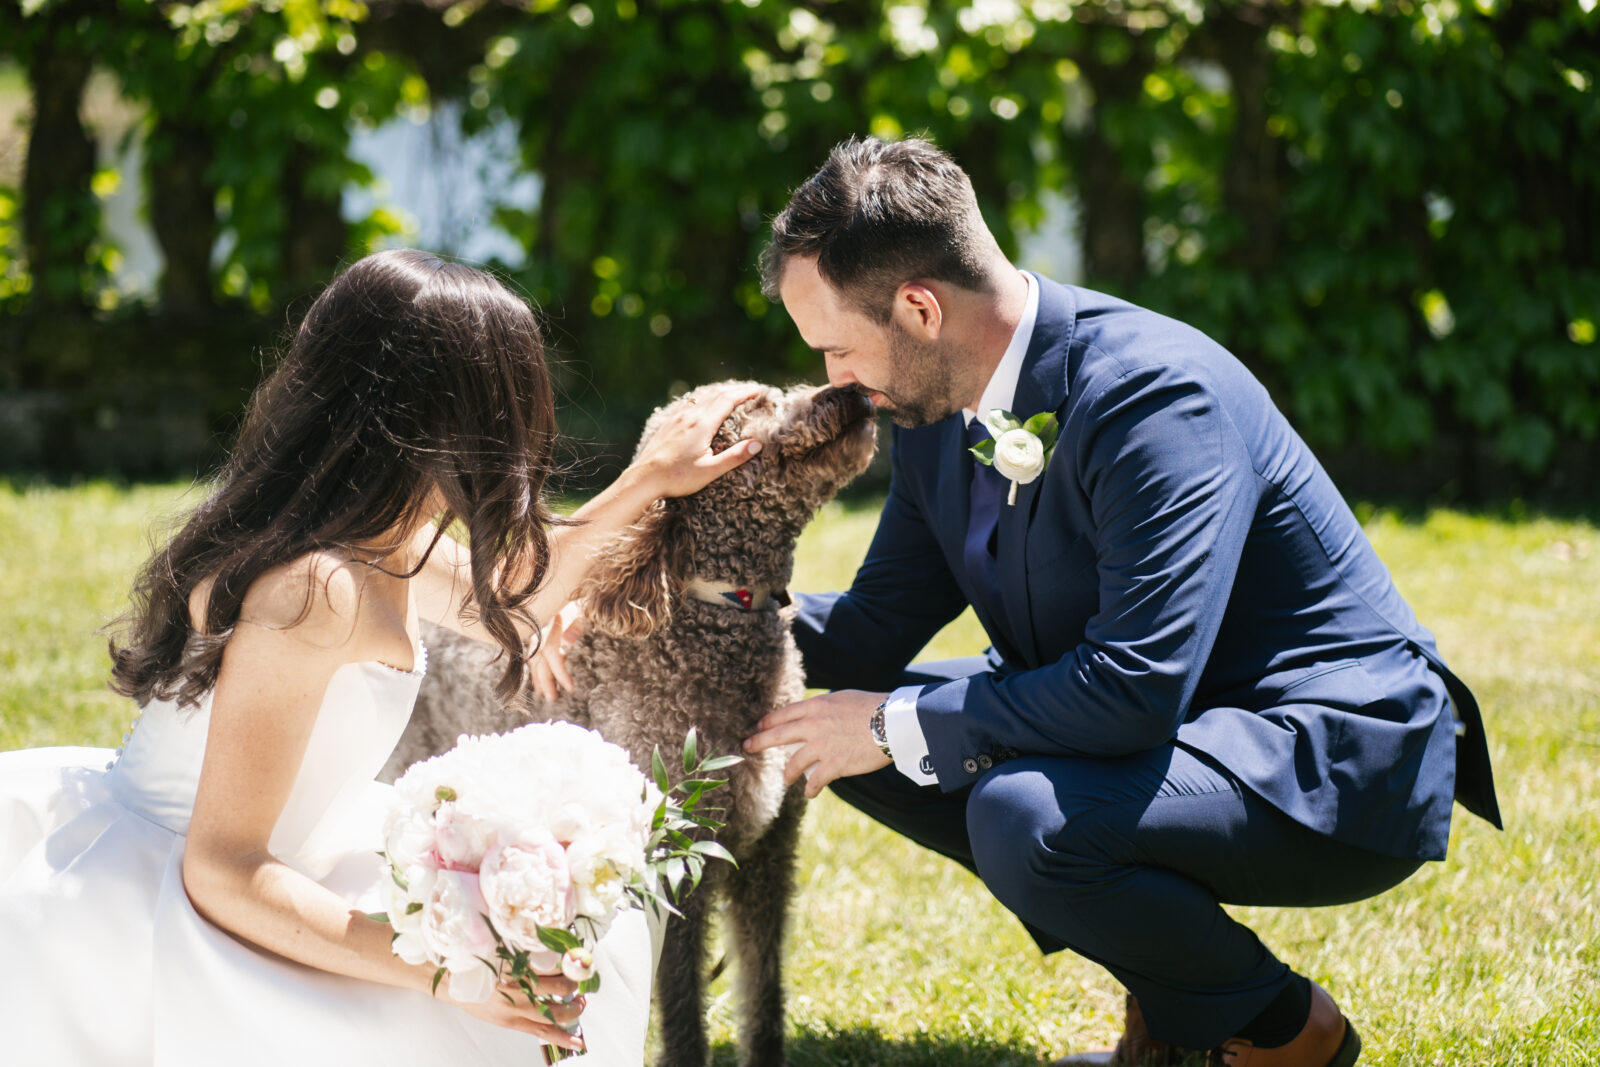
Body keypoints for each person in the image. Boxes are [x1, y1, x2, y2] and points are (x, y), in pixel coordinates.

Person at [744, 136, 1500, 1066]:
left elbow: (1135, 684)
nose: (833, 380)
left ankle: (1283, 1027)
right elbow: (868, 631)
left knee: (1018, 809)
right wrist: (694, 619)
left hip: (1323, 750)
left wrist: (899, 721)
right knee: (834, 722)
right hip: (1170, 729)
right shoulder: (935, 414)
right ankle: (1179, 1017)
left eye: (836, 348)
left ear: (919, 308)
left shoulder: (1153, 394)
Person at [0, 249, 761, 1066]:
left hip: (293, 856)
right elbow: (221, 870)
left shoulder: (375, 537)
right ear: (449, 419)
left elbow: (515, 596)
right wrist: (448, 967)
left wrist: (650, 479)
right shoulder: (314, 589)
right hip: (180, 899)